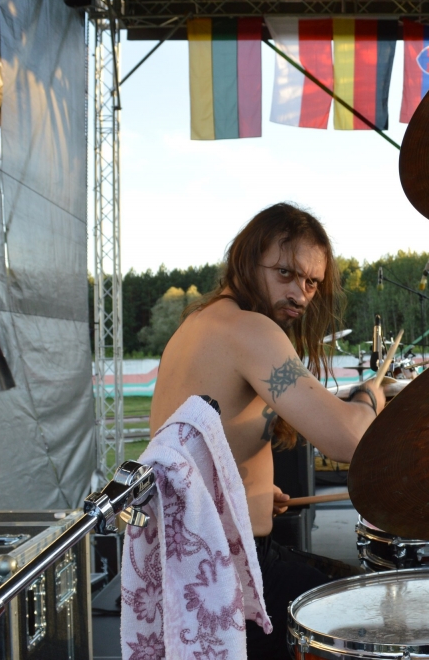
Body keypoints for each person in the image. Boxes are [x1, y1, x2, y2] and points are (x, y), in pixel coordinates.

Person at [147, 203, 388, 658]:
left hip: (197, 563)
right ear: (247, 259)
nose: (299, 294)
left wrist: (248, 496)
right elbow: (350, 440)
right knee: (374, 624)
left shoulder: (198, 325)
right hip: (229, 574)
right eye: (285, 273)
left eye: (311, 282)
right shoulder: (249, 330)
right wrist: (369, 397)